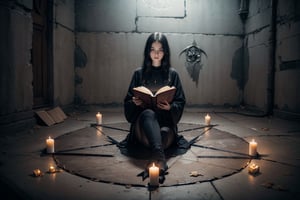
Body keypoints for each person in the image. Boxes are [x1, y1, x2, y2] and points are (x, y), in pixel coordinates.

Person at [122, 32, 187, 178]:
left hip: (165, 122)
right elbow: (128, 102)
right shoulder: (138, 74)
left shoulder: (173, 74)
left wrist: (170, 108)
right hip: (143, 126)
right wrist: (135, 103)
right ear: (147, 51)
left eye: (160, 50)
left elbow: (180, 101)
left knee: (164, 133)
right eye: (152, 49)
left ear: (166, 52)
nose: (156, 54)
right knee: (148, 113)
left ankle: (156, 155)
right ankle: (161, 160)